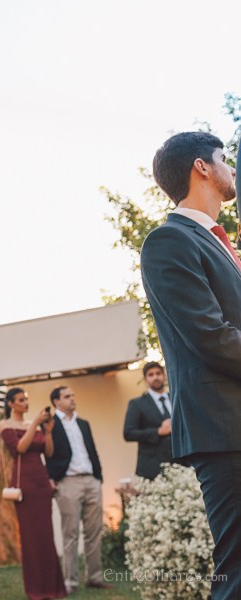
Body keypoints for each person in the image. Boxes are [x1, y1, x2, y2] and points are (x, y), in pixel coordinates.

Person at [140, 131, 241, 600]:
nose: (232, 166)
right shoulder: (168, 241)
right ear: (203, 167)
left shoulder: (220, 242)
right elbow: (211, 337)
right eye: (227, 158)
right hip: (226, 429)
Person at [0, 388, 66, 600]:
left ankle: (54, 588)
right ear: (11, 403)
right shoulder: (5, 424)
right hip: (24, 484)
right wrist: (36, 424)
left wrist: (46, 432)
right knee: (31, 537)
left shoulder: (32, 425)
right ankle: (36, 589)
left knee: (47, 535)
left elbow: (49, 452)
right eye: (21, 400)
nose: (25, 403)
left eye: (26, 399)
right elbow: (19, 447)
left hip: (41, 480)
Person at [46, 386, 110, 593]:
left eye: (73, 395)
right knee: (70, 533)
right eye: (67, 396)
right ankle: (70, 582)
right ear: (56, 401)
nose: (72, 399)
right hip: (68, 482)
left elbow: (92, 450)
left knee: (94, 531)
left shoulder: (83, 423)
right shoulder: (50, 424)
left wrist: (98, 476)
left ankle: (94, 577)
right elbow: (48, 453)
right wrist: (53, 478)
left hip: (91, 480)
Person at [123, 361, 174, 479]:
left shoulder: (175, 398)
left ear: (164, 376)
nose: (155, 377)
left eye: (158, 373)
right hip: (152, 467)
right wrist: (158, 432)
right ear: (145, 380)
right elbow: (128, 433)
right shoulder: (137, 404)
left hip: (181, 464)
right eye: (150, 375)